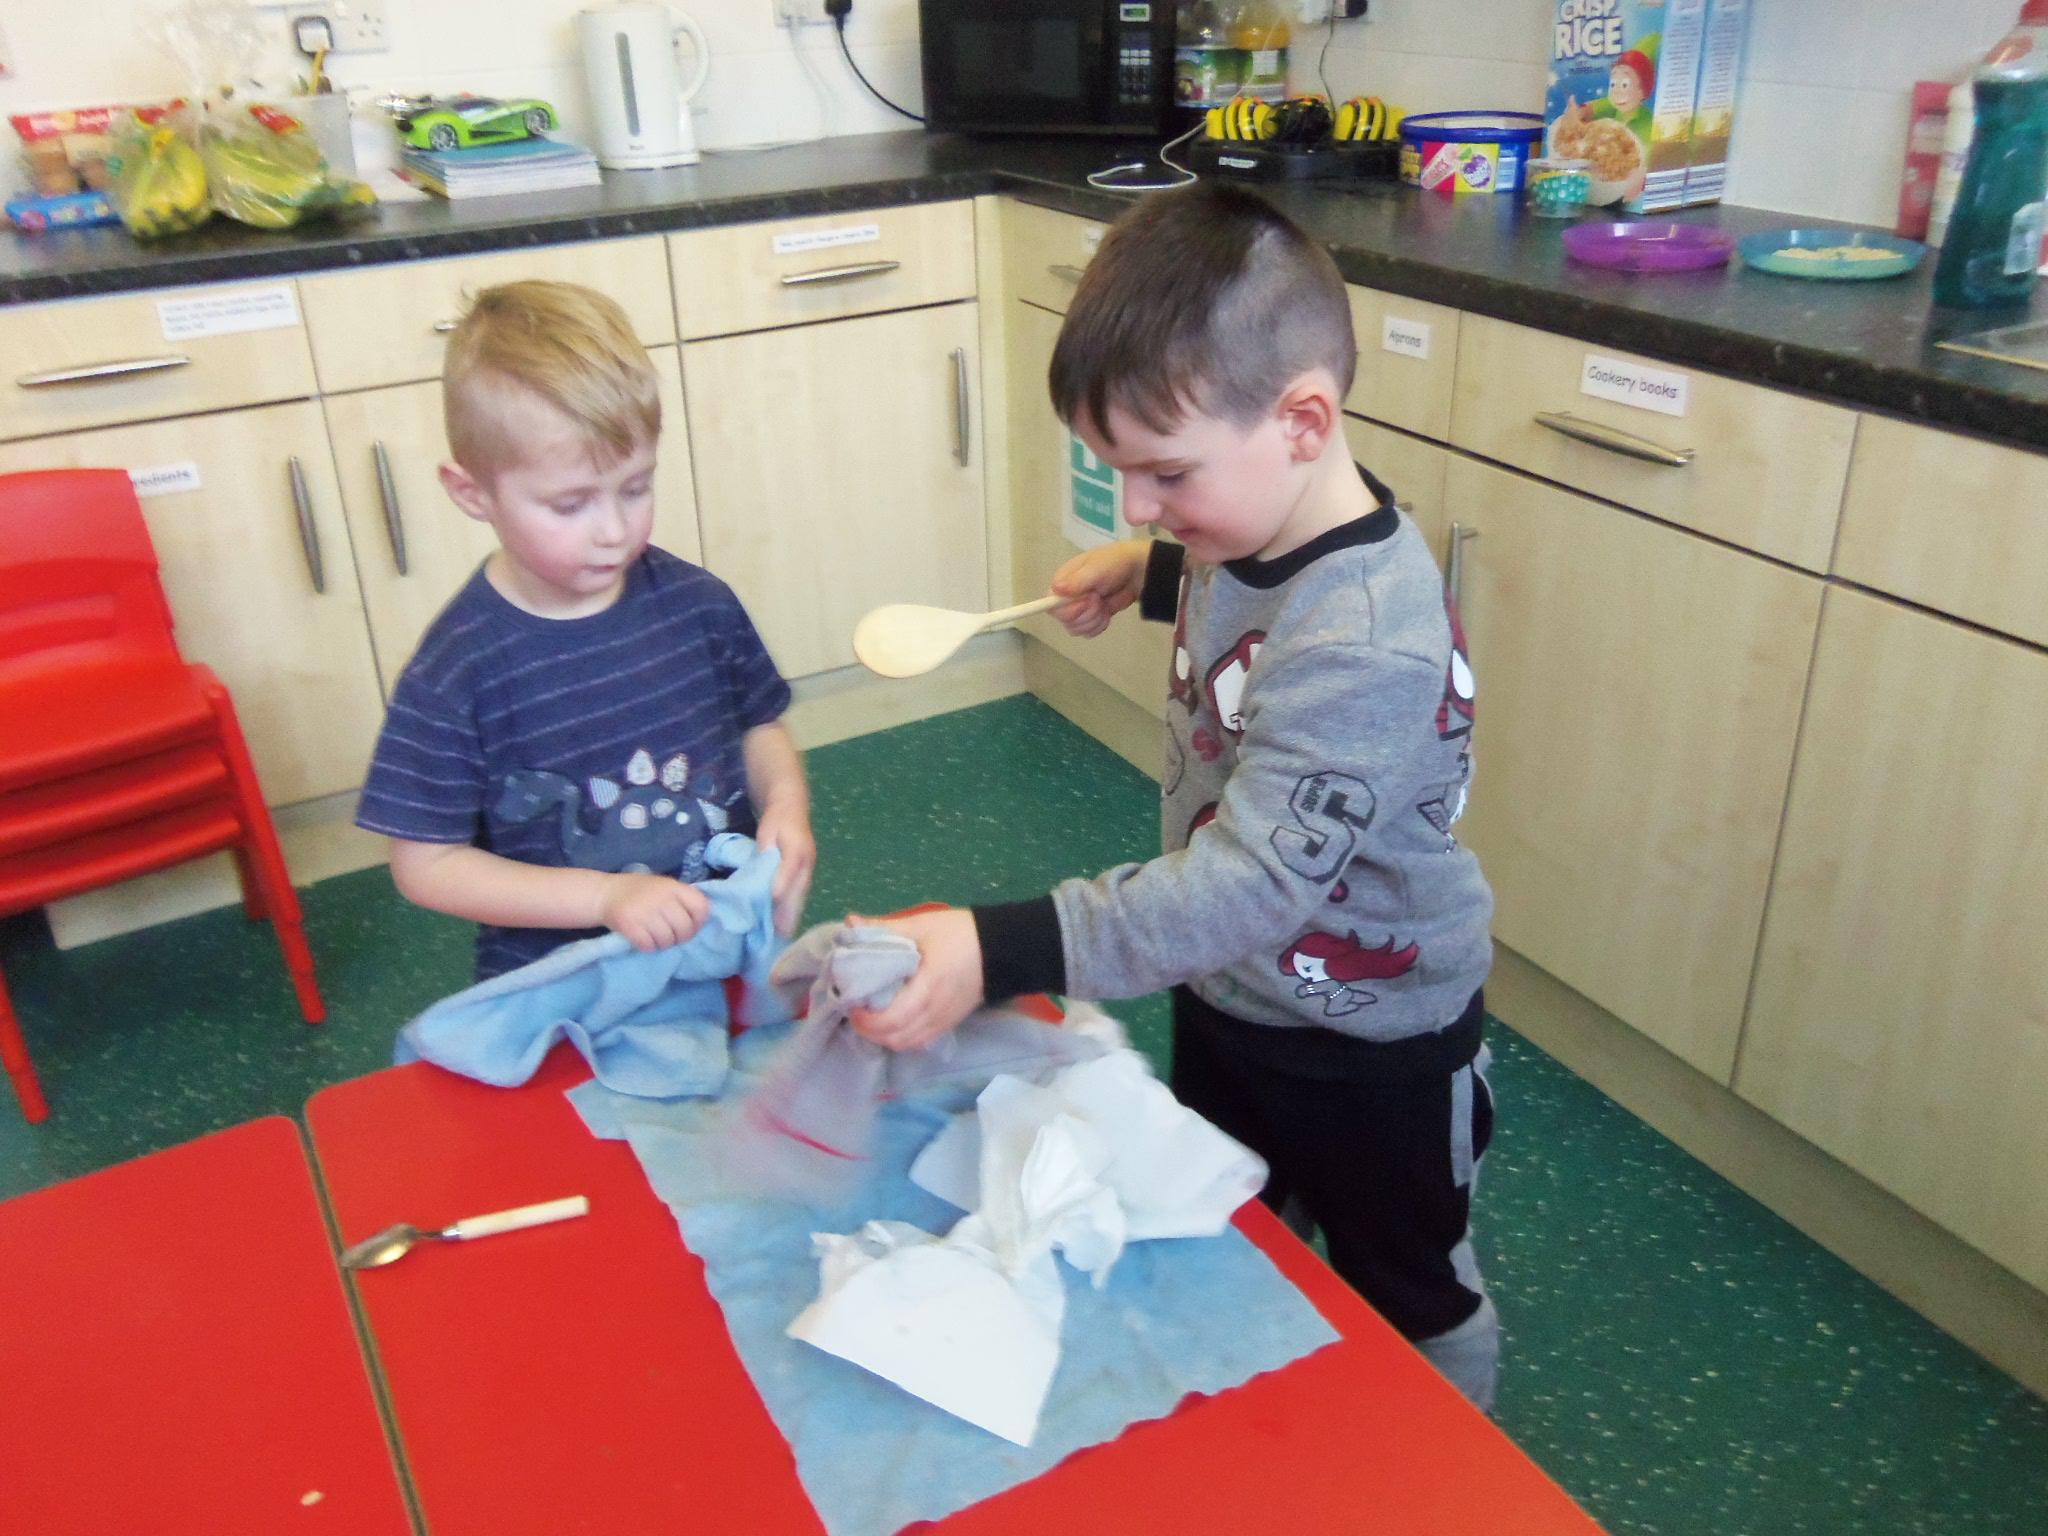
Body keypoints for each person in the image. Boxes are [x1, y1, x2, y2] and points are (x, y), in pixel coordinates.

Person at [848, 183, 1501, 1409]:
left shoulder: (1368, 639)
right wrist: (1151, 567)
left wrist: (1002, 946)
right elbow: (1251, 584)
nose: (1139, 503)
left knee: (1410, 1289)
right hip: (1232, 996)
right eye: (1120, 475)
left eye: (1162, 476)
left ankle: (1459, 1466)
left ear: (1302, 420)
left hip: (1372, 1050)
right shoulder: (1248, 520)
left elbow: (1247, 884)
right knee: (1241, 1226)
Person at [356, 280, 813, 982]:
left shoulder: (699, 604)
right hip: (566, 981)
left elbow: (758, 727)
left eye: (636, 488)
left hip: (722, 952)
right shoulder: (456, 671)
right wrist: (605, 897)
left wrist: (786, 805)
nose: (614, 531)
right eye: (570, 505)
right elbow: (427, 864)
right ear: (473, 493)